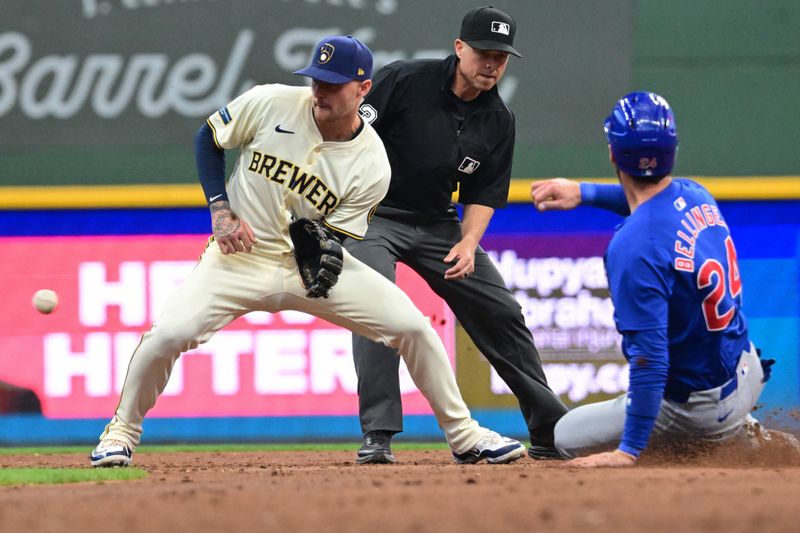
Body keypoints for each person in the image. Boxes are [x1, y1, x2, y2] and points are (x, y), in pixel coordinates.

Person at [89, 35, 525, 467]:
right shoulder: (271, 102)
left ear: (363, 90)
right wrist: (220, 209)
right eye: (317, 78)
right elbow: (209, 136)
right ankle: (119, 434)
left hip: (306, 270)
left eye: (333, 83)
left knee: (414, 329)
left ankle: (464, 435)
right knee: (166, 335)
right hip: (238, 259)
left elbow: (334, 236)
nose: (320, 90)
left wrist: (328, 252)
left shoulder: (373, 164)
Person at [347, 6, 568, 465]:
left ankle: (549, 430)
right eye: (484, 53)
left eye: (501, 57)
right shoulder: (404, 80)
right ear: (460, 48)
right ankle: (379, 434)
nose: (491, 64)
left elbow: (484, 193)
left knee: (502, 310)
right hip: (373, 217)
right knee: (376, 303)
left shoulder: (499, 119)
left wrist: (468, 243)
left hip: (438, 224)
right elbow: (346, 138)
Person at [529, 91, 776, 467]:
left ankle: (707, 443)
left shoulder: (632, 247)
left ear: (613, 154)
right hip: (747, 372)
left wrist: (628, 452)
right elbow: (650, 205)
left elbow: (650, 360)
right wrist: (583, 192)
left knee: (564, 434)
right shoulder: (697, 196)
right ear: (672, 151)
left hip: (697, 408)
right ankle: (744, 431)